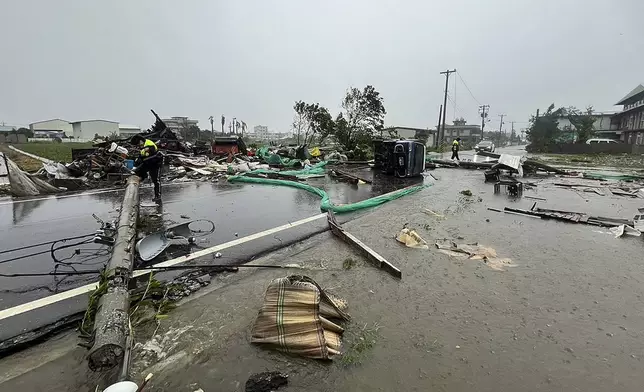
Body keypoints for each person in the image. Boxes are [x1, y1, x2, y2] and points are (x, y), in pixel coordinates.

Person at [131, 135, 162, 202]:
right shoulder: (142, 147)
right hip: (148, 163)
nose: (138, 146)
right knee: (138, 171)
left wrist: (141, 164)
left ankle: (158, 196)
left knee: (155, 180)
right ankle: (142, 177)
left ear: (140, 141)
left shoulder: (149, 145)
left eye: (138, 144)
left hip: (155, 163)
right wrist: (135, 166)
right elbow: (141, 157)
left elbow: (150, 156)